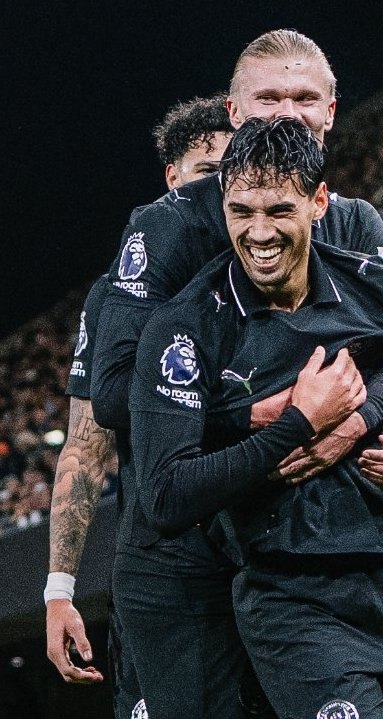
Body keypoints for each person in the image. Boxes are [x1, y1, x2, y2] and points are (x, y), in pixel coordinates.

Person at [88, 31, 383, 719]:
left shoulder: (352, 220)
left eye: (304, 98)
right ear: (233, 111)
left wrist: (359, 419)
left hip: (305, 542)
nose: (287, 113)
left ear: (331, 112)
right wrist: (261, 415)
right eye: (268, 97)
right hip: (187, 551)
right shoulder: (165, 228)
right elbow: (110, 393)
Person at [129, 117, 383, 718]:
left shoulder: (378, 289)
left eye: (278, 210)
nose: (258, 232)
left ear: (319, 201)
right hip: (288, 596)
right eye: (240, 211)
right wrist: (296, 424)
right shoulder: (185, 327)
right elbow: (166, 495)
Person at [44, 94, 232, 717]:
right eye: (207, 173)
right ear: (172, 179)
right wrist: (59, 590)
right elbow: (84, 446)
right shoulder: (115, 300)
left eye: (233, 175)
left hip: (265, 550)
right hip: (161, 564)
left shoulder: (274, 276)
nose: (220, 191)